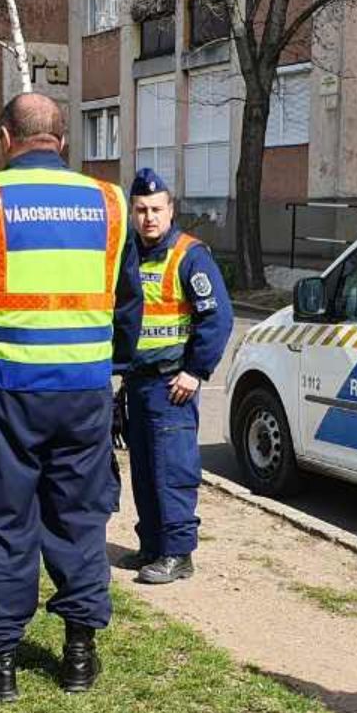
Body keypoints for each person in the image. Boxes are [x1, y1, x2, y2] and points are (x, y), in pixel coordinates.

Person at [0, 93, 139, 703]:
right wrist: (107, 367)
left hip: (5, 393)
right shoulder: (110, 203)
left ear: (7, 139)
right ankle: (79, 654)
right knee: (80, 517)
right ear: (63, 142)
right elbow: (128, 305)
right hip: (85, 392)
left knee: (0, 517)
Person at [119, 168, 233, 583]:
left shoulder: (190, 255)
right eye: (141, 210)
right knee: (146, 471)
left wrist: (195, 372)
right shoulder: (129, 253)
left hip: (172, 385)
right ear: (133, 213)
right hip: (138, 381)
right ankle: (152, 545)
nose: (149, 217)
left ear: (171, 210)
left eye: (156, 209)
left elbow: (217, 319)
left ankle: (179, 553)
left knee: (173, 470)